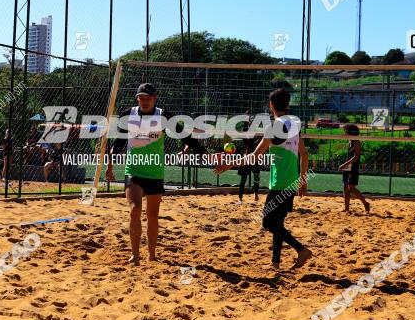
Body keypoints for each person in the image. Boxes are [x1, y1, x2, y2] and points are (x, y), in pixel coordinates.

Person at [105, 83, 209, 265]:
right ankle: (135, 255)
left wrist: (204, 154)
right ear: (137, 99)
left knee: (153, 215)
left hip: (154, 171)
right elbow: (119, 142)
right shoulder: (128, 115)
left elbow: (185, 137)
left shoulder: (164, 116)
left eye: (148, 98)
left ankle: (152, 254)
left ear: (155, 98)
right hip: (134, 169)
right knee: (135, 210)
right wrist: (110, 165)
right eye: (141, 98)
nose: (144, 101)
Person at [215, 89, 313, 270]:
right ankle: (275, 262)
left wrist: (229, 165)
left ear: (271, 105)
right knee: (278, 223)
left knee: (267, 223)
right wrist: (303, 180)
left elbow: (253, 157)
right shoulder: (294, 124)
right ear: (287, 104)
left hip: (280, 184)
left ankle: (301, 250)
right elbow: (304, 155)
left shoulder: (273, 127)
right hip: (291, 182)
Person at [339, 124, 370, 213]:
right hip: (348, 167)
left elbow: (356, 156)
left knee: (351, 188)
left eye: (345, 131)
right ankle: (346, 208)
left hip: (353, 167)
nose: (344, 133)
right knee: (345, 187)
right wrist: (345, 165)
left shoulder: (356, 142)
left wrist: (345, 164)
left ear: (350, 132)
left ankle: (365, 203)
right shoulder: (350, 141)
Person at [236, 126, 262, 203]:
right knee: (251, 178)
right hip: (248, 160)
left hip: (250, 160)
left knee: (253, 178)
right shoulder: (251, 140)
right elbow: (244, 131)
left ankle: (245, 197)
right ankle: (242, 197)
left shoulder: (254, 140)